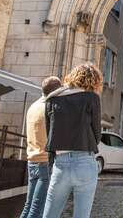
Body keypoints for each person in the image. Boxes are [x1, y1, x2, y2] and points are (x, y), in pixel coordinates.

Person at [42, 63, 102, 218]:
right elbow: (97, 135)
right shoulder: (92, 98)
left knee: (50, 214)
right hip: (85, 161)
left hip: (60, 163)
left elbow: (50, 135)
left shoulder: (52, 100)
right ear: (94, 81)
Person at [20, 76, 62, 218]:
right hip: (45, 162)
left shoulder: (33, 106)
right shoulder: (49, 108)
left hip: (32, 160)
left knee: (28, 206)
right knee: (37, 209)